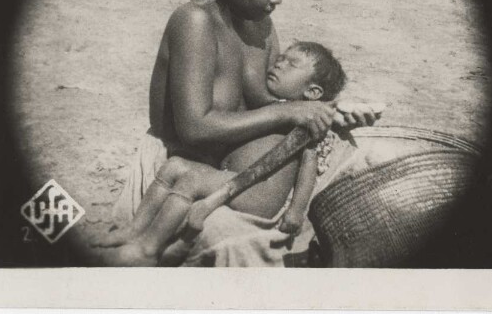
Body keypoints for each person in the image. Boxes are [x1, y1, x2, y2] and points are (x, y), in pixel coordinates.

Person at [108, 0, 378, 265]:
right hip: (178, 172)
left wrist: (332, 111)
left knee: (360, 160)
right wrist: (286, 112)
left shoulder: (261, 25)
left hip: (233, 172)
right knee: (232, 246)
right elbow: (195, 128)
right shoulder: (194, 22)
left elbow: (274, 100)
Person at [97, 42, 352, 265]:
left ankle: (148, 249)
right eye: (280, 58)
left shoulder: (307, 119)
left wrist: (296, 211)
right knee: (174, 165)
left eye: (292, 64)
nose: (279, 64)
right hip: (234, 179)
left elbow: (309, 163)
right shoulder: (267, 105)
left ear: (313, 92)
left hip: (259, 196)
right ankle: (133, 230)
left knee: (192, 180)